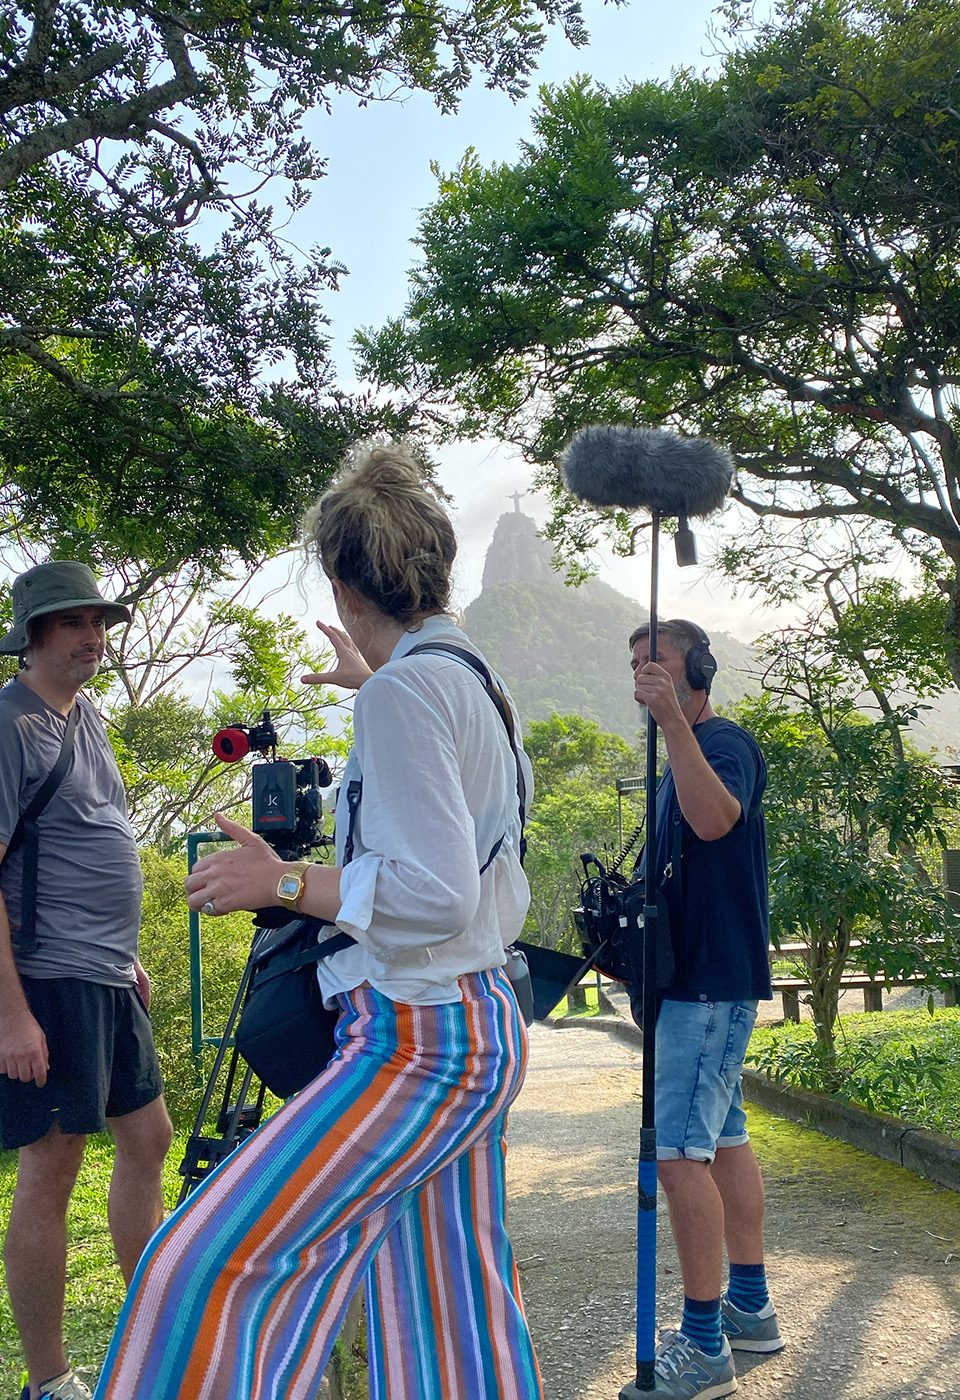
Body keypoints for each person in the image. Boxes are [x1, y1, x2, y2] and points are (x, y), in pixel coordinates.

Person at [93, 440, 542, 1400]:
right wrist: (371, 685)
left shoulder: (408, 694)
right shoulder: (473, 682)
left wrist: (284, 883)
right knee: (446, 1312)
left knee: (204, 1270)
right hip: (482, 1019)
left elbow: (433, 895)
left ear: (345, 590)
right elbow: (459, 838)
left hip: (419, 1039)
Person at [0, 561, 173, 1400]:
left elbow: (91, 837)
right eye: (73, 622)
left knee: (150, 1141)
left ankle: (151, 1338)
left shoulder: (87, 719)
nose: (92, 636)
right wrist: (11, 1016)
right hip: (46, 979)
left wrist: (127, 953)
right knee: (54, 1165)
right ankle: (50, 1380)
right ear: (34, 634)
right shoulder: (8, 723)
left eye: (99, 621)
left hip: (106, 973)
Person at [628, 618, 781, 1400]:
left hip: (708, 985)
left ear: (700, 668)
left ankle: (703, 1343)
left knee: (678, 1154)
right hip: (697, 982)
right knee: (722, 1140)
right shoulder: (675, 757)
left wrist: (671, 725)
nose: (641, 676)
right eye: (634, 666)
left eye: (655, 662)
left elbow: (716, 818)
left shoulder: (724, 745)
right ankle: (748, 1307)